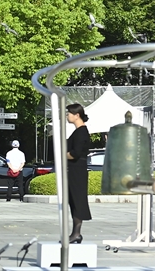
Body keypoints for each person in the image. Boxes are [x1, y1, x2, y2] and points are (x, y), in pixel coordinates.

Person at [65, 103, 93, 244]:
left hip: (77, 170)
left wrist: (63, 155)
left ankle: (76, 233)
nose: (67, 116)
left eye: (69, 113)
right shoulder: (78, 132)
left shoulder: (81, 132)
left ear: (77, 115)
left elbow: (76, 153)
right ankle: (75, 233)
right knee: (73, 199)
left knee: (77, 200)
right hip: (74, 169)